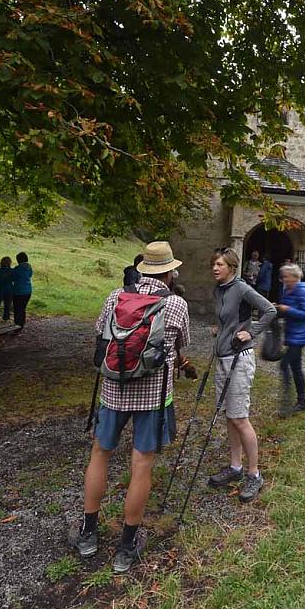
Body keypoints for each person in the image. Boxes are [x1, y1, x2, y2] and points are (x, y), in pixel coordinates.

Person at [71, 241, 192, 573]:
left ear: (141, 270)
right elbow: (182, 346)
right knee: (141, 465)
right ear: (170, 272)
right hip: (153, 399)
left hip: (113, 392)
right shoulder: (177, 305)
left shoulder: (115, 297)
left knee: (100, 454)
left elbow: (101, 334)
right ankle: (126, 546)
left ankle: (88, 533)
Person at [208, 247, 276, 502]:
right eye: (214, 264)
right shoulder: (220, 289)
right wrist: (222, 329)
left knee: (239, 417)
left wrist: (252, 332)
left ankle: (254, 474)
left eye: (220, 264)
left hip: (240, 358)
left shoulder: (242, 287)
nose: (215, 268)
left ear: (232, 267)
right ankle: (235, 467)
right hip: (223, 358)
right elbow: (230, 317)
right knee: (229, 415)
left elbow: (270, 310)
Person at [276, 263, 305, 415]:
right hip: (292, 334)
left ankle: (287, 400)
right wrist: (278, 308)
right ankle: (302, 401)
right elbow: (286, 310)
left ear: (294, 277)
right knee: (296, 368)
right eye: (283, 276)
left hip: (300, 335)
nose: (284, 279)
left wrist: (287, 309)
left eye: (286, 276)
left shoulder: (302, 290)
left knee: (285, 365)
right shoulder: (287, 290)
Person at [11, 252, 33, 328]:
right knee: (22, 308)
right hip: (28, 291)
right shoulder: (29, 267)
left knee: (17, 309)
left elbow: (13, 278)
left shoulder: (17, 268)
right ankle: (22, 324)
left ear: (18, 260)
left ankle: (17, 324)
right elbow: (30, 275)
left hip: (18, 291)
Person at [0, 256, 14, 322]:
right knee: (7, 306)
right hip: (7, 290)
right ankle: (5, 320)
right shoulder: (12, 271)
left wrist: (1, 279)